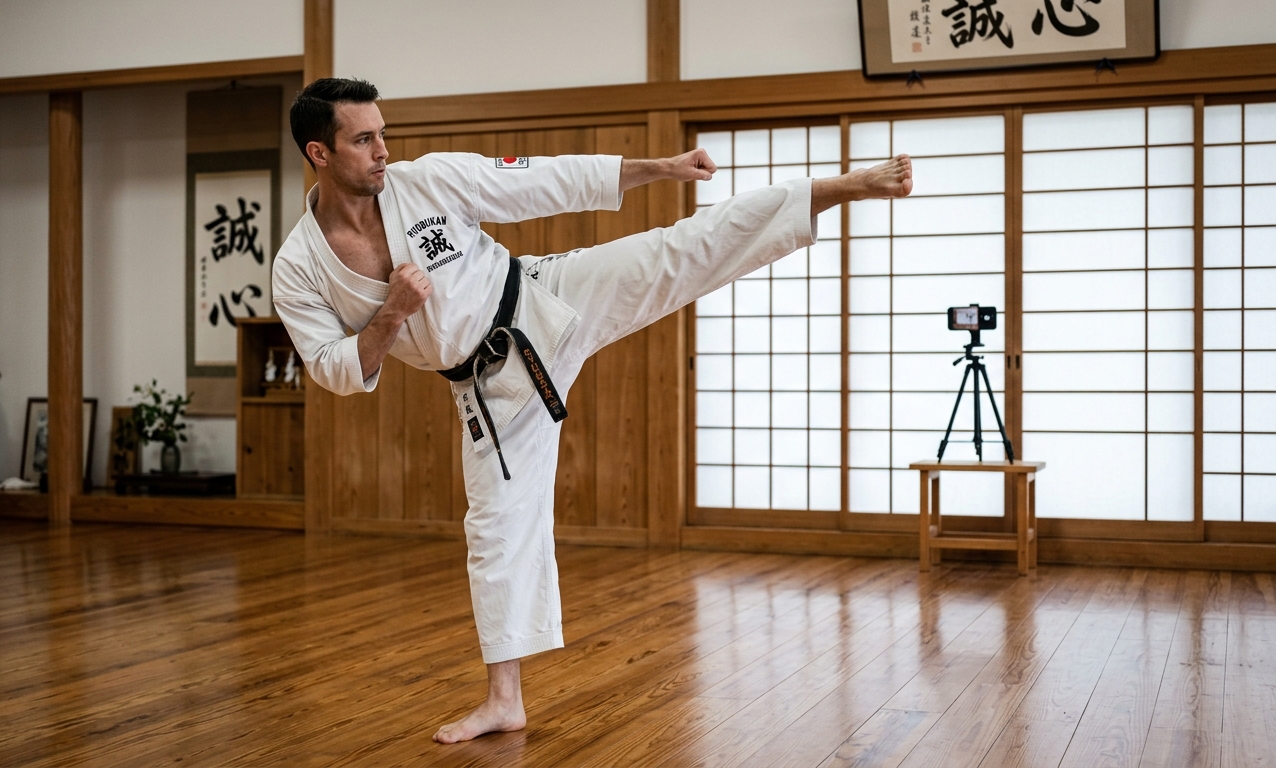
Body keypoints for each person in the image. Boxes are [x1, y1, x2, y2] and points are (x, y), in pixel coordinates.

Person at [272, 78, 913, 743]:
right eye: (364, 139)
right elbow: (332, 370)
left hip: (544, 298)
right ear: (319, 152)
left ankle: (835, 189)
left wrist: (658, 169)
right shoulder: (299, 267)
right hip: (491, 390)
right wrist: (391, 317)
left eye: (383, 133)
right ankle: (504, 700)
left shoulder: (427, 181)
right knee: (495, 531)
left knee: (677, 253)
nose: (383, 151)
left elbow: (545, 181)